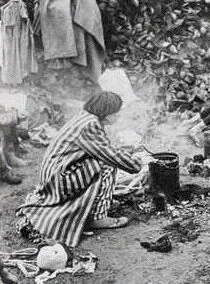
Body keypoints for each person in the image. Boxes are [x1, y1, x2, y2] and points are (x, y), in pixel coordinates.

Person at [16, 91, 146, 247]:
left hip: (56, 172)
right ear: (106, 112)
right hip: (59, 179)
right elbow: (109, 154)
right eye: (116, 112)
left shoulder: (86, 117)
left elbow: (103, 147)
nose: (118, 116)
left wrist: (124, 151)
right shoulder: (90, 125)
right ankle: (98, 218)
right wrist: (138, 163)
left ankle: (91, 211)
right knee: (107, 165)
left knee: (100, 162)